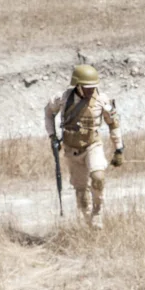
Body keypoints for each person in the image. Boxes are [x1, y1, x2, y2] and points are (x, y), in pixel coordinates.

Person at [44, 64, 123, 229]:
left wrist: (119, 149)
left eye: (93, 87)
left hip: (92, 145)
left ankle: (98, 211)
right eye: (86, 88)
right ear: (77, 85)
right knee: (81, 192)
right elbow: (48, 113)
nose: (90, 91)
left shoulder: (101, 99)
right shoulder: (63, 98)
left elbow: (113, 123)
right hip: (71, 150)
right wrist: (53, 136)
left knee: (98, 177)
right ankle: (90, 225)